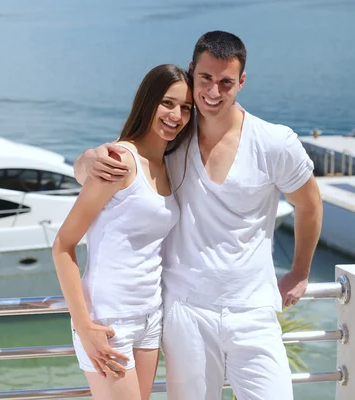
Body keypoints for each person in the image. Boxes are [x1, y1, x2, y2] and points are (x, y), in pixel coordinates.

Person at [73, 31, 323, 400]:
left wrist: (300, 273)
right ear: (192, 72)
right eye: (205, 78)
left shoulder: (274, 142)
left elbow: (310, 204)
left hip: (252, 311)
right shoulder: (173, 135)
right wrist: (87, 160)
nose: (213, 92)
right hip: (185, 312)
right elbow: (122, 165)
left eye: (226, 82)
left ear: (241, 82)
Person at [52, 64, 194, 400]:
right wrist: (85, 327)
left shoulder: (167, 165)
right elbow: (63, 245)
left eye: (186, 108)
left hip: (149, 315)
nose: (176, 115)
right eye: (167, 103)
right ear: (148, 102)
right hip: (108, 318)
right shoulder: (119, 161)